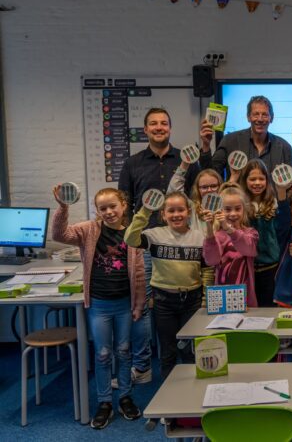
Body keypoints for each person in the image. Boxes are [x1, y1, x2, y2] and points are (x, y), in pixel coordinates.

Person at [117, 107, 212, 384]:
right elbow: (126, 204)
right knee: (146, 306)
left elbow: (196, 193)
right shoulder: (132, 163)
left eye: (164, 123)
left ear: (170, 128)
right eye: (153, 124)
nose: (159, 127)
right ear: (145, 129)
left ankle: (187, 373)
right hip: (149, 243)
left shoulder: (186, 159)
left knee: (187, 306)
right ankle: (144, 365)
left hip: (186, 242)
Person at [51, 186, 145, 429]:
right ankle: (105, 401)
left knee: (124, 351)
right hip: (100, 306)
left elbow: (139, 272)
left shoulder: (132, 234)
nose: (109, 211)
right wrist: (63, 207)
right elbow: (59, 235)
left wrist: (139, 304)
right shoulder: (89, 230)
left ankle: (125, 396)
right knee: (103, 354)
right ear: (97, 211)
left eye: (113, 206)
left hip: (124, 304)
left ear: (123, 205)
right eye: (103, 208)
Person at [124, 191, 212, 379]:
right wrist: (145, 211)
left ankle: (191, 389)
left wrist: (204, 298)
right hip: (164, 301)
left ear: (189, 212)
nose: (176, 214)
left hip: (192, 300)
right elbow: (130, 239)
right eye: (170, 211)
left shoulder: (200, 237)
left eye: (181, 210)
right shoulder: (154, 235)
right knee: (168, 349)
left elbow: (207, 270)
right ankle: (167, 390)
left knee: (190, 348)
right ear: (163, 214)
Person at [233, 158, 289, 307]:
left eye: (261, 179)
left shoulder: (273, 204)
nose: (257, 183)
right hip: (247, 268)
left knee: (268, 309)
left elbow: (283, 229)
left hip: (270, 269)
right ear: (245, 181)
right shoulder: (240, 206)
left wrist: (282, 192)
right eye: (252, 179)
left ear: (267, 181)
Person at [202, 184, 260, 307]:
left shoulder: (251, 233)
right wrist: (209, 227)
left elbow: (249, 249)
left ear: (244, 209)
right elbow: (211, 260)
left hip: (247, 299)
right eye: (227, 209)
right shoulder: (216, 235)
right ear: (219, 210)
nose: (233, 214)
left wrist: (228, 229)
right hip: (222, 299)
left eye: (237, 209)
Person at [210, 95, 292, 178]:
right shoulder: (230, 141)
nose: (260, 119)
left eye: (264, 114)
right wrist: (206, 145)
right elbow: (211, 174)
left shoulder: (284, 147)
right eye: (256, 114)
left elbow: (291, 183)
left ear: (271, 118)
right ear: (248, 117)